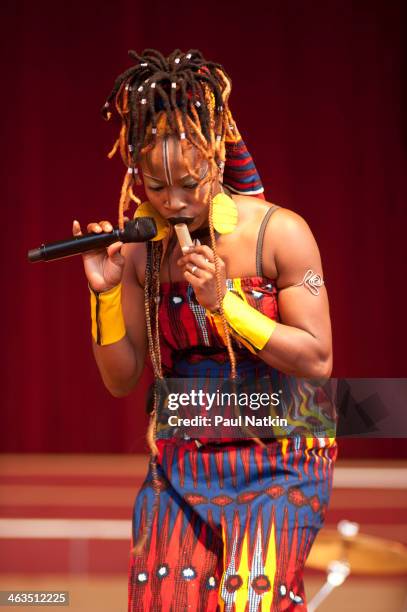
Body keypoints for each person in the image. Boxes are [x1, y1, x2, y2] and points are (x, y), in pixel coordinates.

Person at [73, 49, 337, 611]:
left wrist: (226, 304)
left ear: (216, 161)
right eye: (156, 186)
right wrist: (104, 298)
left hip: (283, 450)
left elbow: (317, 361)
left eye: (189, 184)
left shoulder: (281, 234)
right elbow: (122, 381)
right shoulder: (144, 250)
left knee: (253, 602)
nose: (173, 202)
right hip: (183, 451)